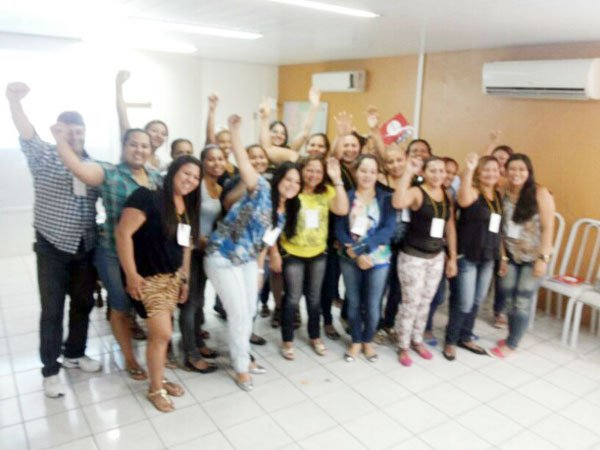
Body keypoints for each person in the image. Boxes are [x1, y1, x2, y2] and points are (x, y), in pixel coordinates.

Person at [6, 82, 101, 398]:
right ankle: (50, 370)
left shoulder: (92, 163)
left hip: (85, 246)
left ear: (85, 133)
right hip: (52, 246)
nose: (74, 136)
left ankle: (75, 353)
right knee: (52, 311)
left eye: (78, 131)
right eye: (68, 131)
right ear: (59, 131)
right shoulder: (44, 154)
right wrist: (14, 102)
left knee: (83, 304)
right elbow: (26, 132)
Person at [54, 124, 162, 381]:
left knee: (146, 305)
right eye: (133, 144)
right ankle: (129, 358)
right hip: (112, 253)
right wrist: (60, 140)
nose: (139, 150)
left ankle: (156, 355)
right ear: (124, 147)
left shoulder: (156, 178)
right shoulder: (110, 172)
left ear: (151, 150)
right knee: (121, 306)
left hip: (145, 256)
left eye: (144, 146)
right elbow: (79, 169)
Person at [204, 114, 301, 391]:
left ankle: (244, 356)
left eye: (297, 183)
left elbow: (264, 243)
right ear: (279, 178)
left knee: (249, 311)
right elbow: (244, 163)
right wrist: (235, 131)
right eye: (288, 179)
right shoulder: (261, 188)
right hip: (222, 256)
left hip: (247, 260)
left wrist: (259, 270)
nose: (292, 185)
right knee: (238, 314)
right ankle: (241, 367)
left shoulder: (283, 214)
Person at [115, 155, 199, 412]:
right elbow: (123, 233)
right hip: (148, 277)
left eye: (196, 177)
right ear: (173, 171)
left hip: (172, 278)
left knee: (161, 335)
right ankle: (155, 389)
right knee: (162, 334)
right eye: (186, 173)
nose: (191, 180)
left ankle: (158, 377)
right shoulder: (147, 197)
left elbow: (185, 247)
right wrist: (131, 274)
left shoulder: (185, 208)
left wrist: (184, 279)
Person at [278, 156, 349, 360]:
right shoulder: (293, 190)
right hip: (292, 252)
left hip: (318, 253)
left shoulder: (326, 191)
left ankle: (315, 336)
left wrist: (337, 178)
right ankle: (287, 339)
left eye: (318, 171)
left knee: (314, 297)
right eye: (309, 170)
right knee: (292, 297)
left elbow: (342, 209)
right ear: (301, 170)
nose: (314, 175)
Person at [392, 156, 457, 367]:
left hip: (436, 257)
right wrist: (408, 172)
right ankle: (403, 345)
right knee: (410, 303)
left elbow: (450, 226)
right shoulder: (417, 192)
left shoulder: (447, 194)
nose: (438, 175)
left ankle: (417, 340)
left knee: (425, 302)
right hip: (413, 256)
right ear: (424, 173)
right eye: (433, 170)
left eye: (441, 171)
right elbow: (397, 202)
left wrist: (452, 257)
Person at [491, 154, 555, 358]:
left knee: (522, 301)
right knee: (509, 298)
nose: (516, 173)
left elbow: (548, 228)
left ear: (529, 172)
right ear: (506, 170)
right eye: (512, 169)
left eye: (521, 169)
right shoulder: (502, 191)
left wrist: (543, 259)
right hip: (510, 255)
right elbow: (499, 229)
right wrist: (502, 256)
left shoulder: (540, 193)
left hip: (534, 257)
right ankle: (512, 335)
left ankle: (512, 344)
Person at [336, 155, 395, 362]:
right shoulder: (347, 196)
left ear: (378, 174)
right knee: (353, 301)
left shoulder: (386, 198)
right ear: (355, 172)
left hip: (378, 259)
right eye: (363, 170)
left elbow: (388, 229)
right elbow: (339, 229)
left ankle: (368, 340)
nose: (367, 175)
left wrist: (364, 249)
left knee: (373, 303)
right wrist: (355, 251)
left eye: (372, 171)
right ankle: (356, 340)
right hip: (350, 257)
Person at [443, 154, 502, 360]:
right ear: (478, 173)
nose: (491, 173)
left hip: (488, 257)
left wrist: (501, 257)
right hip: (467, 255)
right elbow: (463, 199)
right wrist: (468, 170)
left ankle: (465, 337)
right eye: (486, 170)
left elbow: (499, 229)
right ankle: (451, 341)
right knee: (464, 302)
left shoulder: (497, 195)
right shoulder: (473, 192)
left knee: (477, 300)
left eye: (495, 170)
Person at [179, 145, 226, 373]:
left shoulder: (220, 187)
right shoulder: (195, 186)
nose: (216, 163)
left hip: (206, 252)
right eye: (211, 159)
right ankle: (191, 354)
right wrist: (196, 239)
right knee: (189, 303)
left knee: (199, 302)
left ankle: (197, 342)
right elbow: (183, 219)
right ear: (202, 162)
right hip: (190, 250)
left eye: (220, 159)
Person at [116, 70, 169, 170]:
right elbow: (122, 116)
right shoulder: (134, 153)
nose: (159, 135)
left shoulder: (162, 163)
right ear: (145, 132)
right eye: (154, 131)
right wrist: (119, 86)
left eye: (163, 133)